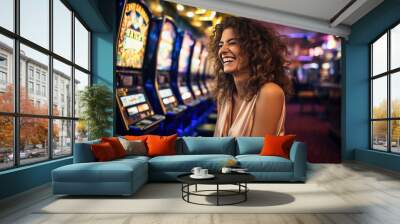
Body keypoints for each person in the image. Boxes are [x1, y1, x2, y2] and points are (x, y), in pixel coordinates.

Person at [209, 16, 291, 137]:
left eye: (232, 43)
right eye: (221, 45)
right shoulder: (224, 95)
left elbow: (254, 154)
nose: (222, 50)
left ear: (254, 49)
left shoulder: (269, 92)